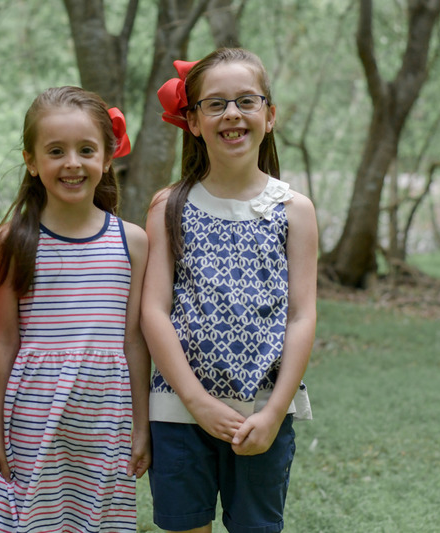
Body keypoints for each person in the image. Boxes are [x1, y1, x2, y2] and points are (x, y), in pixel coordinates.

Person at [142, 48, 318, 533]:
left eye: (246, 100)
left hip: (263, 414)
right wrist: (196, 401)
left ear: (270, 115)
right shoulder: (169, 205)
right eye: (215, 104)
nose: (232, 114)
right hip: (179, 412)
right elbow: (154, 312)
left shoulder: (294, 210)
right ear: (193, 121)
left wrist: (275, 410)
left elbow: (301, 317)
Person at [0, 86, 151, 532]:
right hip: (35, 412)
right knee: (33, 519)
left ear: (107, 158)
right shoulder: (14, 242)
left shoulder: (131, 241)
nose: (72, 162)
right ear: (32, 162)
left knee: (99, 520)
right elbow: (4, 340)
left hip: (105, 414)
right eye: (56, 151)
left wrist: (140, 425)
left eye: (86, 150)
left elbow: (133, 340)